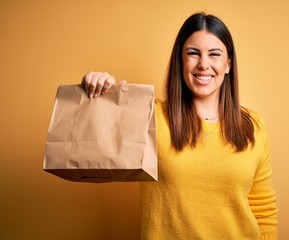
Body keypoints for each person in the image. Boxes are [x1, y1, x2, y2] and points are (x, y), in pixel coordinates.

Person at [82, 12, 277, 240]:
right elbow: (93, 155)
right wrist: (97, 94)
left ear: (228, 64)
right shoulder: (149, 116)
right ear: (180, 60)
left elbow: (263, 209)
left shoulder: (253, 126)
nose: (203, 64)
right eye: (193, 53)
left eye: (214, 54)